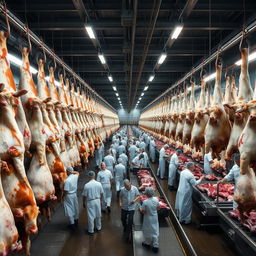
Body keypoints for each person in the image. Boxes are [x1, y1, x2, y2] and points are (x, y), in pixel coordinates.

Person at [82, 171, 104, 235]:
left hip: (90, 201)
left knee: (91, 216)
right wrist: (100, 200)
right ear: (94, 176)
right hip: (97, 200)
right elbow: (101, 193)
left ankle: (91, 230)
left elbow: (84, 196)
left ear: (89, 176)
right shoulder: (99, 184)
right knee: (98, 215)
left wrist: (83, 202)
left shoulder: (86, 185)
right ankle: (98, 228)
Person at [140, 187, 160, 253]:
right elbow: (158, 208)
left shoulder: (145, 202)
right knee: (155, 230)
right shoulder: (156, 199)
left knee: (147, 230)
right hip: (154, 217)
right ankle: (155, 246)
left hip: (148, 218)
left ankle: (147, 243)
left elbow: (143, 211)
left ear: (147, 194)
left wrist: (140, 209)